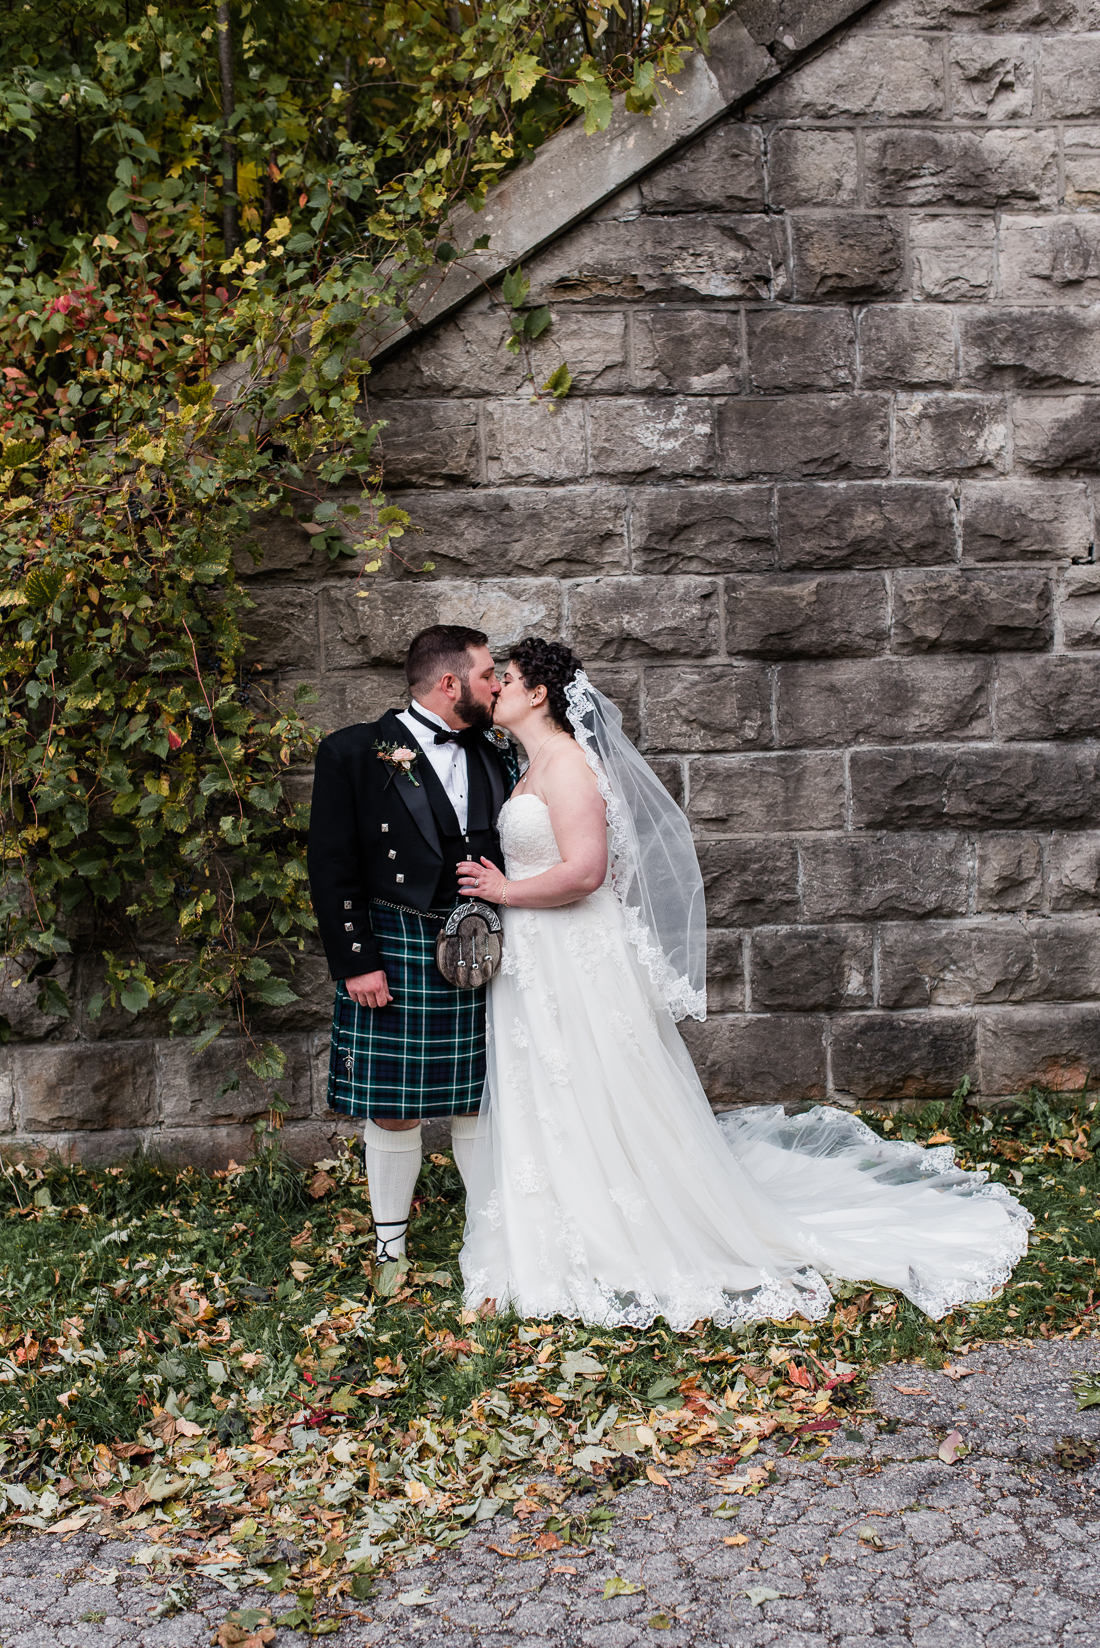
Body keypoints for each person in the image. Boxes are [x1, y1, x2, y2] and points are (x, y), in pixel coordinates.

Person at [455, 638, 1032, 1329]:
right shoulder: (529, 763)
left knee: (597, 1082)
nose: (494, 690)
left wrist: (503, 890)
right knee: (557, 1085)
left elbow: (585, 871)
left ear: (539, 693)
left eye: (506, 679)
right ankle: (561, 1218)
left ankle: (622, 1230)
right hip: (542, 954)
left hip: (574, 950)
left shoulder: (570, 765)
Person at [307, 625, 515, 1262]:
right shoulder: (351, 752)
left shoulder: (501, 750)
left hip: (485, 944)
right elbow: (331, 864)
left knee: (479, 1098)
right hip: (397, 941)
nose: (499, 685)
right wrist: (357, 960)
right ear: (450, 684)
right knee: (394, 1106)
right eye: (489, 676)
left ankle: (488, 1242)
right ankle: (390, 1248)